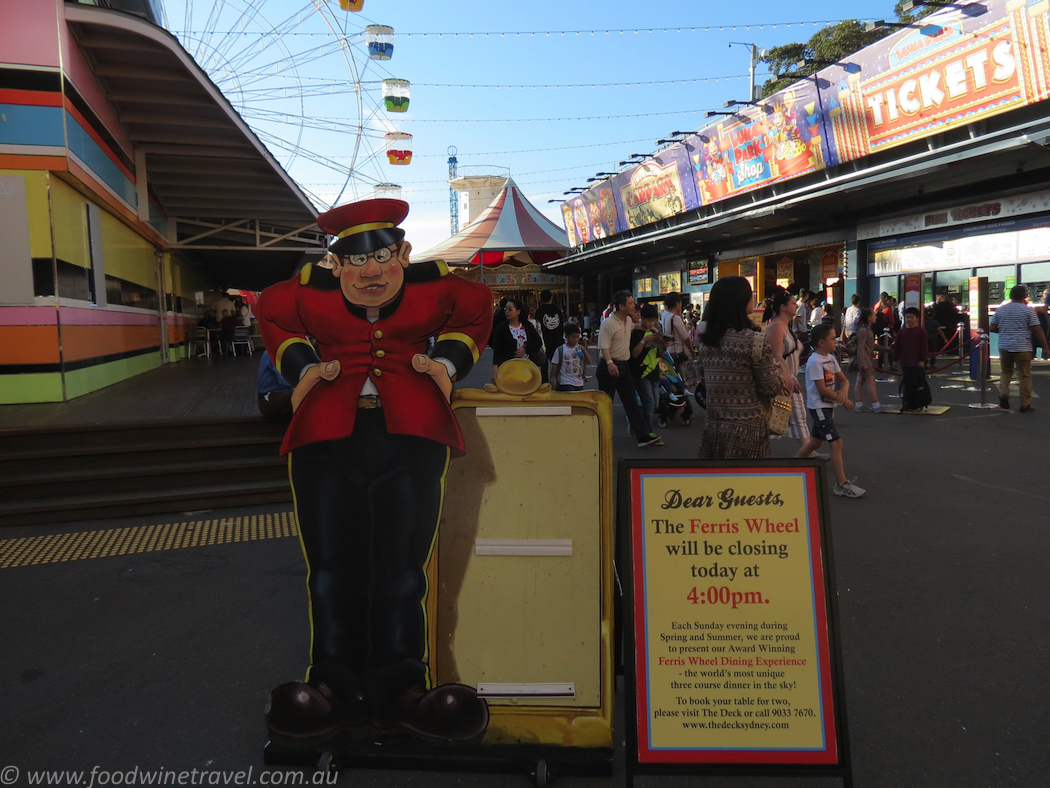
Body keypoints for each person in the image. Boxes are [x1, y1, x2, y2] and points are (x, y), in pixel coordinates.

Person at [256, 197, 493, 745]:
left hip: (409, 439)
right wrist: (303, 368)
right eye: (355, 262)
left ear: (403, 254)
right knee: (333, 569)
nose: (371, 272)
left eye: (383, 256)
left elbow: (478, 304)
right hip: (326, 441)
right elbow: (269, 307)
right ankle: (334, 685)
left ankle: (400, 687)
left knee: (401, 571)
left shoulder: (434, 289)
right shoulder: (310, 294)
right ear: (335, 266)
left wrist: (447, 365)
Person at [695, 276, 787, 460]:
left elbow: (704, 381)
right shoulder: (755, 340)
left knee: (718, 483)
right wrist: (779, 370)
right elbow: (772, 388)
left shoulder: (707, 341)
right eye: (750, 294)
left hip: (714, 426)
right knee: (748, 485)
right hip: (749, 428)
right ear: (741, 301)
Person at [796, 324, 865, 498]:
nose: (836, 341)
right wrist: (843, 399)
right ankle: (841, 483)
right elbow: (821, 389)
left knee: (816, 442)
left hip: (827, 406)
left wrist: (844, 390)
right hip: (819, 407)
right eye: (833, 338)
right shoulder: (814, 362)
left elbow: (844, 380)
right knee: (836, 443)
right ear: (821, 342)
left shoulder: (831, 358)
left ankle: (791, 465)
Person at [597, 290, 660, 448]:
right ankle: (599, 436)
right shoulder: (608, 324)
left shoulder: (628, 322)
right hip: (609, 367)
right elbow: (604, 347)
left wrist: (650, 329)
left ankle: (643, 437)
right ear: (621, 306)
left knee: (632, 403)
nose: (634, 306)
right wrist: (610, 363)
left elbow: (636, 327)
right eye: (631, 303)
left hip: (624, 367)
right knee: (605, 404)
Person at [763, 289, 819, 455]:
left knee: (797, 418)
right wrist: (791, 377)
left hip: (789, 378)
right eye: (793, 303)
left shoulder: (786, 327)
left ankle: (809, 453)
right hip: (783, 379)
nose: (797, 306)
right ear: (783, 307)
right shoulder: (775, 327)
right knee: (777, 419)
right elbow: (776, 355)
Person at [991, 285, 1050, 412]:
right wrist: (1046, 347)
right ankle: (1025, 404)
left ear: (1010, 296)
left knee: (1006, 372)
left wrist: (1005, 330)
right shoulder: (1028, 311)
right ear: (1024, 296)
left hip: (1004, 346)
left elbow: (992, 327)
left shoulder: (1000, 310)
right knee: (1024, 375)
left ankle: (1004, 393)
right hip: (1023, 346)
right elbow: (1037, 329)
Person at [630, 303, 668, 443]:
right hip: (641, 372)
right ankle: (646, 431)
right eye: (649, 320)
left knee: (655, 404)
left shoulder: (654, 333)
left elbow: (658, 353)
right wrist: (643, 340)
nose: (651, 323)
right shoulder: (636, 333)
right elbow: (634, 354)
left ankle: (636, 423)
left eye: (653, 321)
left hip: (653, 372)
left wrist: (663, 346)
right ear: (642, 318)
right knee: (649, 403)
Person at [491, 297, 543, 383]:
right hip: (508, 368)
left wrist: (526, 349)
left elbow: (538, 342)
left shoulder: (527, 325)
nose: (507, 311)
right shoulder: (502, 328)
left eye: (510, 309)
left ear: (518, 311)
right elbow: (497, 350)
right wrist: (495, 370)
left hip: (527, 367)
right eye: (505, 309)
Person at [893, 307, 931, 411]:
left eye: (912, 317)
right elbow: (897, 347)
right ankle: (908, 403)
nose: (909, 319)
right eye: (907, 317)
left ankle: (918, 403)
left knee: (917, 384)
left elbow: (924, 347)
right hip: (904, 361)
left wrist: (922, 360)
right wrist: (895, 359)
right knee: (907, 384)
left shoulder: (921, 331)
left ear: (917, 318)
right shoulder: (901, 332)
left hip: (916, 362)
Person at [661, 293, 696, 392]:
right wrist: (692, 350)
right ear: (677, 303)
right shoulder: (675, 318)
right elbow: (685, 337)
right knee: (686, 382)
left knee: (675, 380)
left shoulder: (665, 315)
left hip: (669, 352)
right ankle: (683, 404)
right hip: (680, 354)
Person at [853, 308, 883, 412]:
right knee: (871, 381)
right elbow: (861, 347)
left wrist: (884, 349)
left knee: (860, 381)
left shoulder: (865, 329)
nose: (875, 317)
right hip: (866, 359)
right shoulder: (864, 330)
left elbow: (869, 345)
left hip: (865, 358)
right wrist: (863, 362)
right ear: (869, 317)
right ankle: (876, 405)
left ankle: (859, 404)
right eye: (874, 315)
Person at [550, 323, 591, 391]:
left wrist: (584, 351)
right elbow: (555, 365)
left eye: (578, 337)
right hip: (565, 382)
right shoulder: (561, 350)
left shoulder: (579, 349)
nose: (576, 339)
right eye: (573, 337)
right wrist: (552, 379)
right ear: (566, 337)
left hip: (579, 382)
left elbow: (588, 361)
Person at [256, 350, 294, 419]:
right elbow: (285, 380)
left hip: (282, 396)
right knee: (304, 396)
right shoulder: (273, 351)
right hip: (268, 399)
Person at [534, 289, 565, 367]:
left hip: (544, 340)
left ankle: (545, 379)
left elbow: (537, 326)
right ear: (551, 298)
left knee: (544, 365)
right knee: (557, 364)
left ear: (541, 298)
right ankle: (557, 378)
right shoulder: (558, 310)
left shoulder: (539, 311)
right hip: (557, 339)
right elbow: (561, 324)